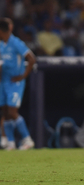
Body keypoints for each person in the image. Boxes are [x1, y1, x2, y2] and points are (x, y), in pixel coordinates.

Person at [0, 18, 36, 150]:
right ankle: (10, 142)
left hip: (15, 82)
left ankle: (27, 139)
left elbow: (31, 59)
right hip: (3, 81)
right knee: (5, 112)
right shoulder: (1, 44)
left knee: (12, 111)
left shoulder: (16, 43)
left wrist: (23, 76)